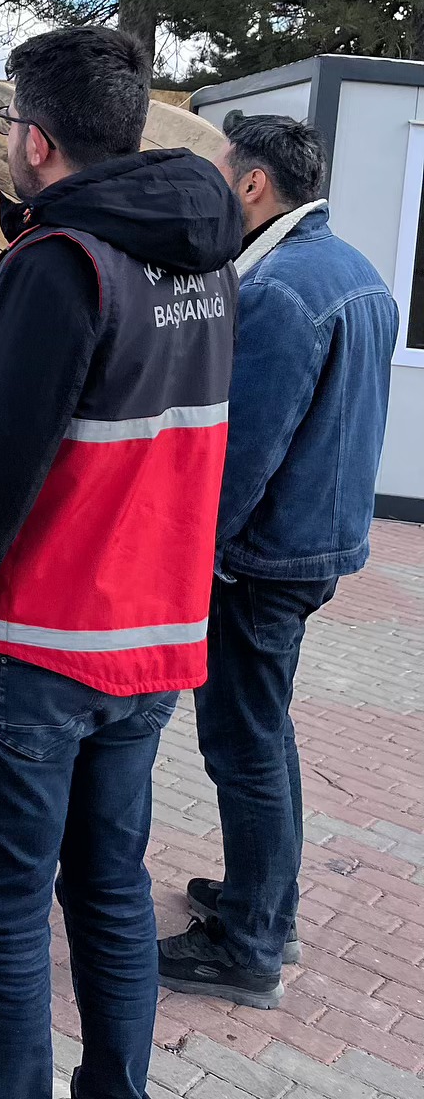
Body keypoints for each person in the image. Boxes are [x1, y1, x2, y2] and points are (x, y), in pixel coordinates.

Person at [0, 26, 242, 1099]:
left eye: (8, 128)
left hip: (34, 656)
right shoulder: (206, 263)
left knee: (1, 920)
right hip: (151, 652)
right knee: (112, 893)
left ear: (36, 142)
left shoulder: (56, 267)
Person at [158, 113, 397, 1008]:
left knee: (243, 745)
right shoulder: (355, 272)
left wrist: (194, 558)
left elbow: (242, 453)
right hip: (315, 545)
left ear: (253, 185)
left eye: (223, 177)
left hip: (261, 562)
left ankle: (251, 945)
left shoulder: (281, 290)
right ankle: (268, 902)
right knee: (269, 735)